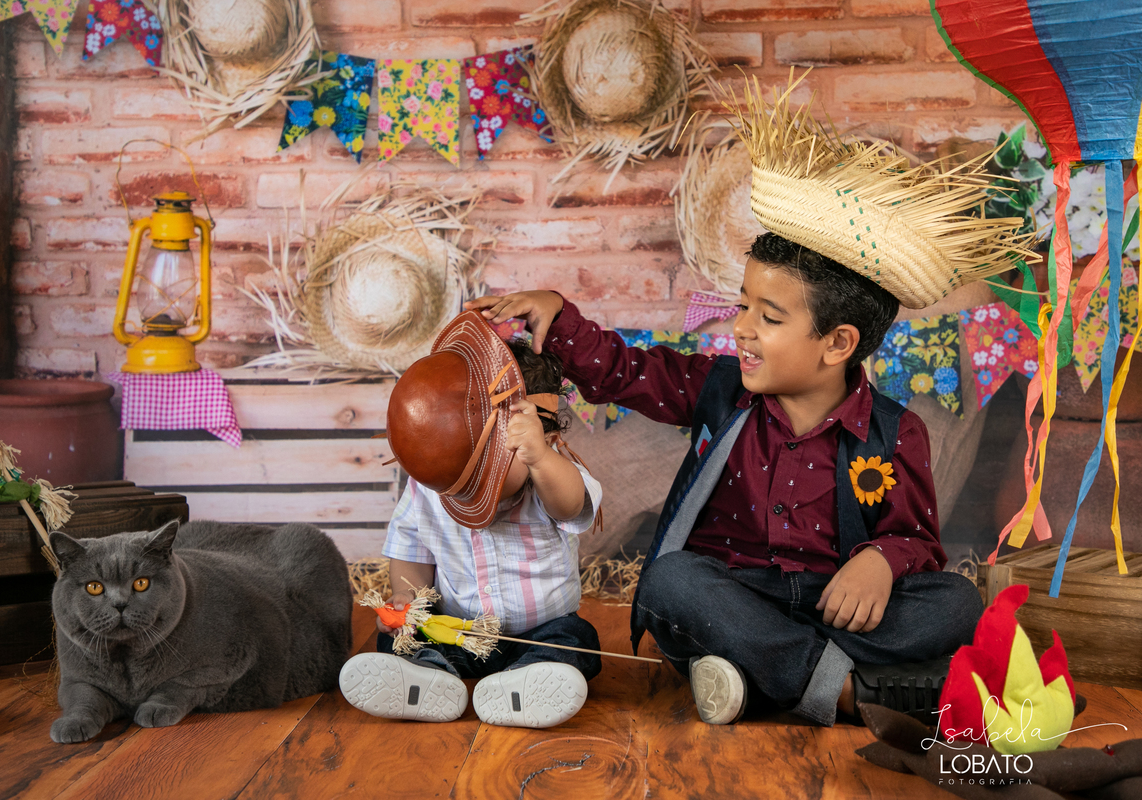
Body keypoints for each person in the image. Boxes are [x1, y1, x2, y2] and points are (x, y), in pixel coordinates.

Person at [463, 76, 1030, 728]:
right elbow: (627, 371)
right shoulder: (718, 390)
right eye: (742, 308)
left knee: (953, 602)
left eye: (769, 317)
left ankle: (758, 678)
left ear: (837, 343)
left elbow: (915, 539)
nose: (742, 329)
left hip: (834, 602)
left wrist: (880, 562)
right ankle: (851, 694)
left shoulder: (895, 433)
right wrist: (559, 319)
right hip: (730, 594)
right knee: (674, 583)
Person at [340, 313, 604, 729]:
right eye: (461, 483)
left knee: (578, 641)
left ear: (546, 436)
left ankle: (525, 685)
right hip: (458, 632)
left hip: (538, 633)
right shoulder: (432, 481)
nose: (468, 492)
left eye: (488, 472)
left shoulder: (550, 473)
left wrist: (539, 459)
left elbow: (571, 506)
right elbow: (412, 546)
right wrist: (407, 608)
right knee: (401, 640)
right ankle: (429, 679)